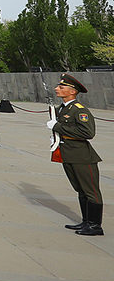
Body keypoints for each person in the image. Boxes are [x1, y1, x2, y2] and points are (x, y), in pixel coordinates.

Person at [52, 74, 103, 236]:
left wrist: (57, 127)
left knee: (90, 191)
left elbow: (88, 132)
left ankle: (95, 225)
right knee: (80, 189)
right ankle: (86, 221)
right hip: (68, 154)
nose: (57, 89)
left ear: (72, 91)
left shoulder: (79, 110)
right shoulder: (63, 108)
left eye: (61, 87)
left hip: (82, 156)